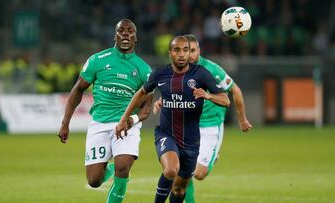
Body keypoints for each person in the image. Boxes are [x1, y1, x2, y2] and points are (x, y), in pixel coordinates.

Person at [115, 36, 230, 203]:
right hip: (166, 134)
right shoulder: (161, 74)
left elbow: (226, 100)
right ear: (170, 53)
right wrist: (124, 118)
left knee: (178, 188)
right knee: (170, 170)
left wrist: (207, 95)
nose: (182, 54)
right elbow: (141, 93)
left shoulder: (201, 74)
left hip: (191, 141)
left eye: (186, 50)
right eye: (177, 50)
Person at [58, 19, 153, 203]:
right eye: (121, 31)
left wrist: (130, 120)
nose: (125, 34)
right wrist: (65, 123)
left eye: (130, 31)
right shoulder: (97, 60)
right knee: (94, 181)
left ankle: (119, 172)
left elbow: (146, 108)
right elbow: (78, 90)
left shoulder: (144, 70)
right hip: (99, 124)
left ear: (136, 37)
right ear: (115, 36)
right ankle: (109, 169)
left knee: (123, 166)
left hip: (126, 125)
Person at [153, 34, 253, 203]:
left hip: (211, 126)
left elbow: (235, 90)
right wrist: (162, 100)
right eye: (186, 50)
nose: (188, 55)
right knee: (181, 177)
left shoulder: (212, 70)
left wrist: (242, 119)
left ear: (199, 50)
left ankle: (213, 156)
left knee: (198, 174)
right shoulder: (180, 69)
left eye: (192, 50)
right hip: (188, 126)